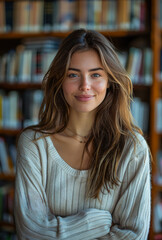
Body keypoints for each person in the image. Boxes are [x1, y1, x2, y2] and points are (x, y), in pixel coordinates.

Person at [14, 29, 151, 240]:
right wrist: (95, 222)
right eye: (73, 74)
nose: (85, 86)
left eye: (96, 74)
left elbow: (133, 235)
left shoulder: (132, 148)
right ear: (60, 81)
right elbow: (30, 232)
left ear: (110, 82)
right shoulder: (34, 144)